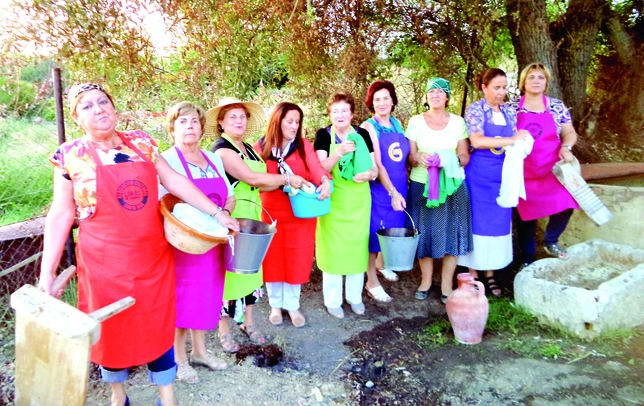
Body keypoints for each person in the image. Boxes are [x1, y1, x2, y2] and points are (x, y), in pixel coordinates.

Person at [38, 84, 238, 406]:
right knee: (111, 331)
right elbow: (61, 213)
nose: (99, 109)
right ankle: (119, 397)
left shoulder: (142, 143)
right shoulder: (69, 156)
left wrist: (217, 213)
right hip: (103, 264)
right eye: (87, 106)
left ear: (114, 109)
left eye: (103, 102)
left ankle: (167, 397)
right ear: (76, 117)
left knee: (157, 325)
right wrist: (47, 272)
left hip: (151, 259)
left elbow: (174, 181)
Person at [208, 98, 309, 350]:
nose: (239, 121)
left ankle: (248, 322)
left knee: (251, 273)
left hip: (253, 213)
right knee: (229, 275)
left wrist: (285, 182)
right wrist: (287, 178)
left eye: (242, 116)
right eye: (232, 117)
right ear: (220, 122)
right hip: (232, 215)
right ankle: (224, 330)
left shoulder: (250, 149)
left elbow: (263, 183)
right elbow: (250, 176)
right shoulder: (222, 149)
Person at [160, 102, 235, 383]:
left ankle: (201, 352)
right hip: (185, 244)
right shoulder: (168, 161)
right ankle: (179, 359)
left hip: (213, 238)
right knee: (184, 299)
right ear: (172, 128)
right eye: (182, 122)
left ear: (202, 127)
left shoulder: (213, 159)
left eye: (194, 121)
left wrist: (224, 213)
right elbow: (164, 204)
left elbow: (229, 195)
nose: (189, 126)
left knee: (206, 296)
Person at [252, 102, 332, 327]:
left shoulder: (303, 145)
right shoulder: (260, 147)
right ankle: (275, 305)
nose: (295, 126)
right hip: (270, 212)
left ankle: (292, 305)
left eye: (297, 121)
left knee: (297, 258)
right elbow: (251, 178)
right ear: (277, 121)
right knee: (273, 258)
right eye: (290, 121)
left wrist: (325, 180)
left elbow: (316, 168)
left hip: (300, 214)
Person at [457, 69, 528, 296]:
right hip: (478, 174)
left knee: (497, 223)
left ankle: (491, 274)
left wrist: (521, 142)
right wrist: (512, 140)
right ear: (484, 87)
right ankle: (474, 274)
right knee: (477, 223)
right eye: (496, 87)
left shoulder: (508, 112)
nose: (501, 92)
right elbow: (477, 141)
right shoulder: (476, 110)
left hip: (502, 174)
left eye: (504, 87)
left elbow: (519, 140)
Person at [406, 78, 473, 303]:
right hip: (421, 185)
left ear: (447, 97)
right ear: (426, 97)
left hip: (451, 186)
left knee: (451, 233)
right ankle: (425, 281)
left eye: (440, 92)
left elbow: (464, 157)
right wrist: (418, 157)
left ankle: (446, 284)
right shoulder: (415, 122)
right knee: (423, 233)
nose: (435, 95)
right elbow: (410, 157)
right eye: (430, 92)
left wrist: (449, 159)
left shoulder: (458, 122)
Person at [314, 92, 379, 318]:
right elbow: (320, 168)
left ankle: (354, 297)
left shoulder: (362, 134)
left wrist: (369, 175)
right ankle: (332, 300)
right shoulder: (323, 135)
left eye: (344, 111)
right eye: (335, 111)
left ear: (352, 113)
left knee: (356, 249)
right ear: (330, 114)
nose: (340, 115)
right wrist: (339, 152)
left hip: (359, 201)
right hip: (333, 201)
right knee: (333, 249)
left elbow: (374, 168)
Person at [509, 63, 580, 266]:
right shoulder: (511, 107)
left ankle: (551, 241)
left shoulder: (557, 106)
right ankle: (528, 257)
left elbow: (569, 132)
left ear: (546, 82)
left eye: (541, 77)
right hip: (523, 169)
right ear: (523, 82)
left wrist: (567, 147)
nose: (536, 81)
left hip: (551, 168)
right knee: (526, 216)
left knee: (567, 201)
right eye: (531, 77)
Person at [360, 80, 409, 303]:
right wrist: (392, 192)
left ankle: (381, 265)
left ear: (392, 101)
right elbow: (378, 164)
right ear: (372, 102)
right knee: (374, 233)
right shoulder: (369, 126)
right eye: (377, 99)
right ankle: (371, 280)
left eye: (386, 98)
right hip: (381, 188)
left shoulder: (397, 124)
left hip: (400, 184)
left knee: (391, 228)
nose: (382, 103)